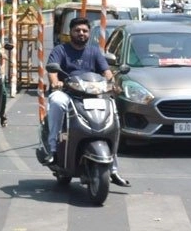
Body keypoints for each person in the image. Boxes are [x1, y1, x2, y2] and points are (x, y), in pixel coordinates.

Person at [41, 17, 130, 187]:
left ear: (89, 34)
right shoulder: (61, 50)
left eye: (84, 31)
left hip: (92, 94)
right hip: (68, 93)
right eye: (77, 30)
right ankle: (53, 149)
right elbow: (52, 69)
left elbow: (106, 71)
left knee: (111, 109)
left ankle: (113, 169)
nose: (81, 34)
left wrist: (112, 83)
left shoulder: (95, 51)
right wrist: (55, 82)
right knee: (57, 102)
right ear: (71, 33)